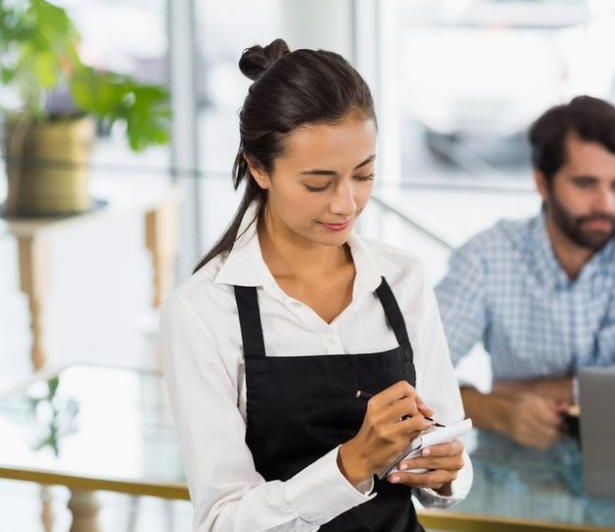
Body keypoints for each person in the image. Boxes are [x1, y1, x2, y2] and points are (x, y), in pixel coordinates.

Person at [160, 39, 471, 532]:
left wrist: (447, 473)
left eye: (363, 175)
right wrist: (350, 465)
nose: (346, 204)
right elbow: (223, 521)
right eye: (317, 183)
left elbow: (448, 455)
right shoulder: (203, 310)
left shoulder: (403, 279)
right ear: (259, 167)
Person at [435, 96, 615, 450]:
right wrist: (497, 411)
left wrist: (523, 391)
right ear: (542, 183)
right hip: (520, 475)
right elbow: (416, 372)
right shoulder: (488, 255)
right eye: (585, 184)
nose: (607, 204)